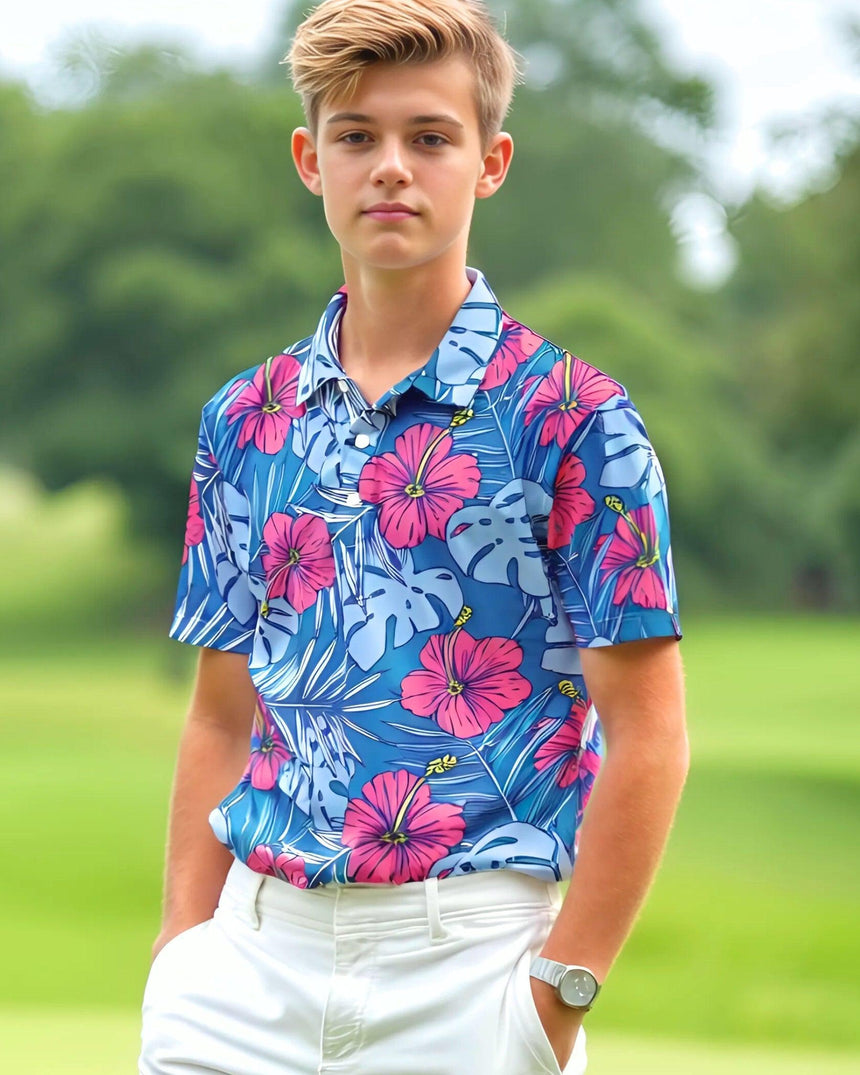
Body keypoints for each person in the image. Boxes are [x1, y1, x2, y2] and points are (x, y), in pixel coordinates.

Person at [138, 1, 689, 1073]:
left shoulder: (575, 417)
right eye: (357, 136)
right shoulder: (242, 418)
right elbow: (218, 714)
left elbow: (651, 736)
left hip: (471, 978)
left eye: (429, 137)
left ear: (489, 162)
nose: (390, 166)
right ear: (310, 159)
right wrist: (179, 951)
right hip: (243, 972)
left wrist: (555, 998)